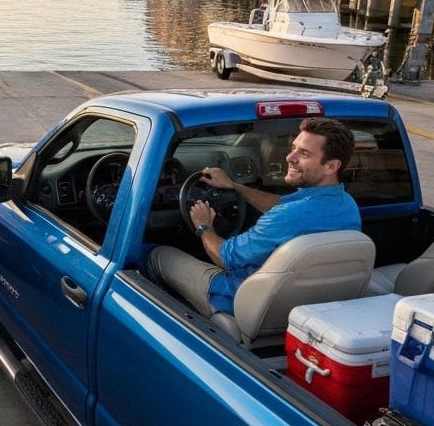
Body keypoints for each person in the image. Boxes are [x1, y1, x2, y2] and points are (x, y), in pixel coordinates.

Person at [148, 117, 361, 318]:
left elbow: (226, 258)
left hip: (236, 298)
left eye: (304, 154)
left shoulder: (286, 218)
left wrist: (204, 227)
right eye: (293, 148)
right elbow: (280, 203)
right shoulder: (347, 205)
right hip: (305, 304)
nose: (289, 157)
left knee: (156, 255)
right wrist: (234, 186)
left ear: (331, 166)